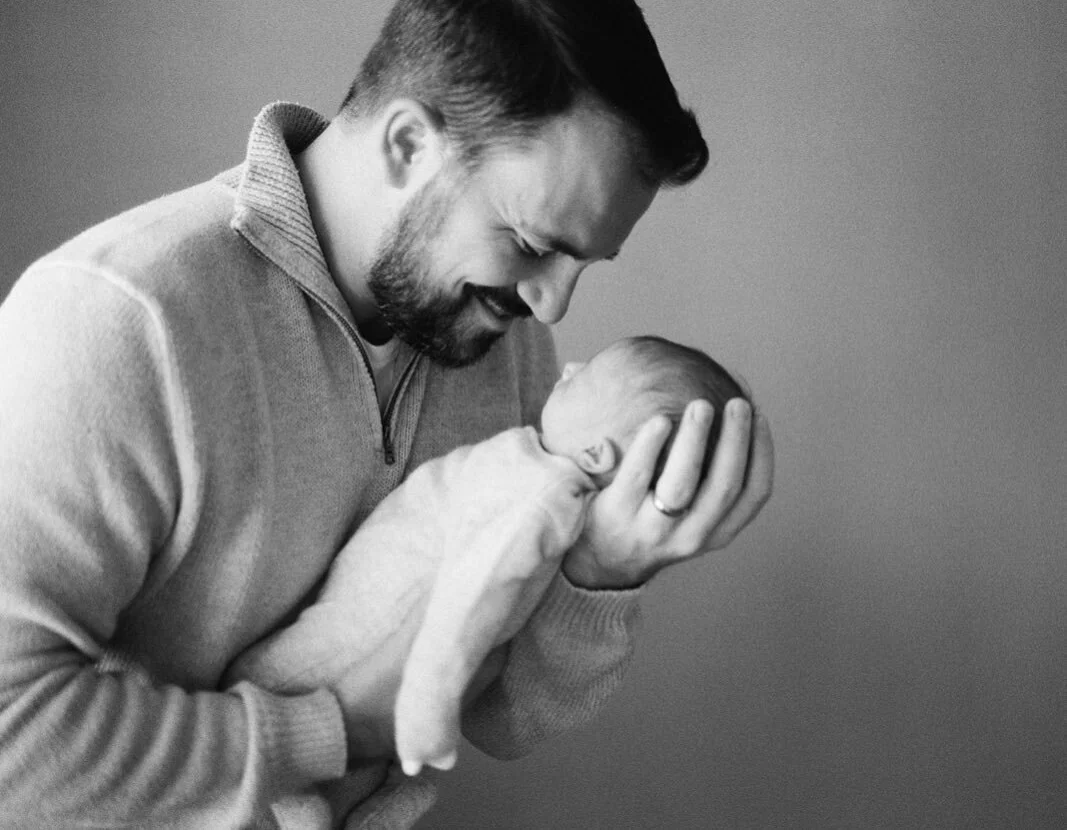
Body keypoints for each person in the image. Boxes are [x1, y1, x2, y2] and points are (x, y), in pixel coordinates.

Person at [0, 0, 773, 828]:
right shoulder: (116, 319)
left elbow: (505, 719)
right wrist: (332, 730)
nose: (551, 306)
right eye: (531, 244)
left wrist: (598, 572)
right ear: (407, 145)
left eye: (583, 264)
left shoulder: (505, 346)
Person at [221, 335, 747, 785]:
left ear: (595, 455)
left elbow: (478, 590)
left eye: (585, 380)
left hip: (329, 657)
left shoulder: (543, 497)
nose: (568, 368)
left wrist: (424, 700)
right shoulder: (533, 467)